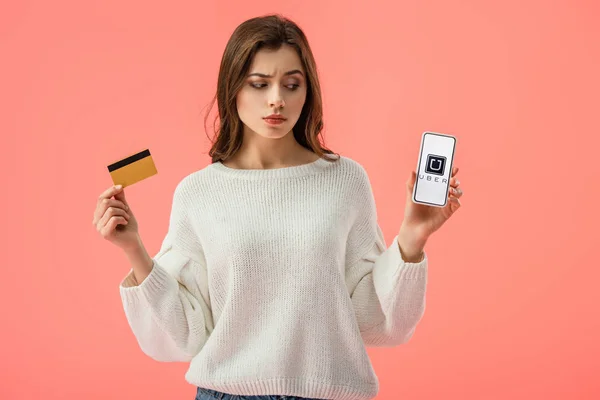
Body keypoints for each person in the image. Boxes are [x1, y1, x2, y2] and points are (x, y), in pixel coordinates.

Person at [92, 14, 463, 400]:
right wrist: (133, 247)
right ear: (232, 89)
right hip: (226, 393)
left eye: (291, 85)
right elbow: (185, 334)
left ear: (308, 91)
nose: (277, 100)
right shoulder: (198, 192)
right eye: (259, 84)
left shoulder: (345, 180)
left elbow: (375, 322)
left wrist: (413, 237)